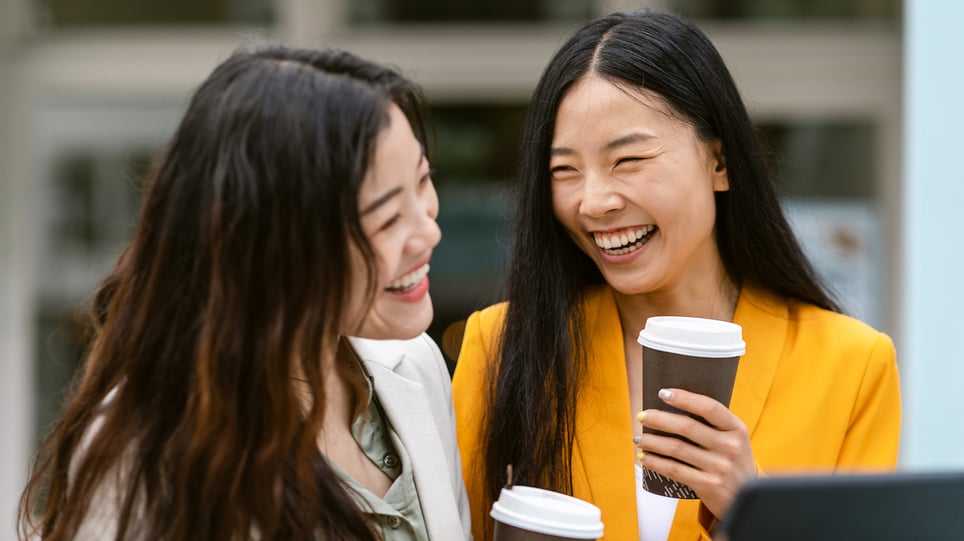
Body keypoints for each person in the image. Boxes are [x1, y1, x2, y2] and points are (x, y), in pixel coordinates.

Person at [451, 10, 900, 541]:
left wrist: (749, 510)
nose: (593, 202)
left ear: (720, 161)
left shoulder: (850, 366)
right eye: (564, 170)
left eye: (629, 159)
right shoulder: (501, 347)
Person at [19, 45, 471, 541]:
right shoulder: (147, 448)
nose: (428, 232)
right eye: (387, 217)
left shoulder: (416, 365)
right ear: (277, 241)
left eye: (424, 181)